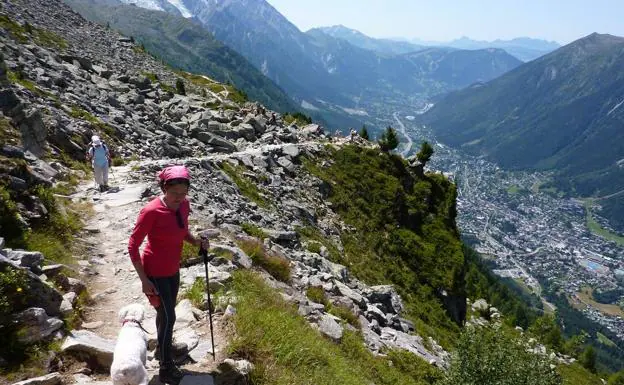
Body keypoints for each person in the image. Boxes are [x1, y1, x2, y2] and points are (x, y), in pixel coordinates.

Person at [127, 165, 209, 384]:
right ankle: (165, 367)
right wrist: (144, 280)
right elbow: (133, 246)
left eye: (183, 194)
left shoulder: (184, 205)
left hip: (173, 269)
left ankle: (163, 350)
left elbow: (182, 232)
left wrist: (198, 243)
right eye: (174, 194)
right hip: (155, 271)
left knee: (164, 314)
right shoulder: (151, 211)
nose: (179, 198)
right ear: (163, 188)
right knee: (169, 316)